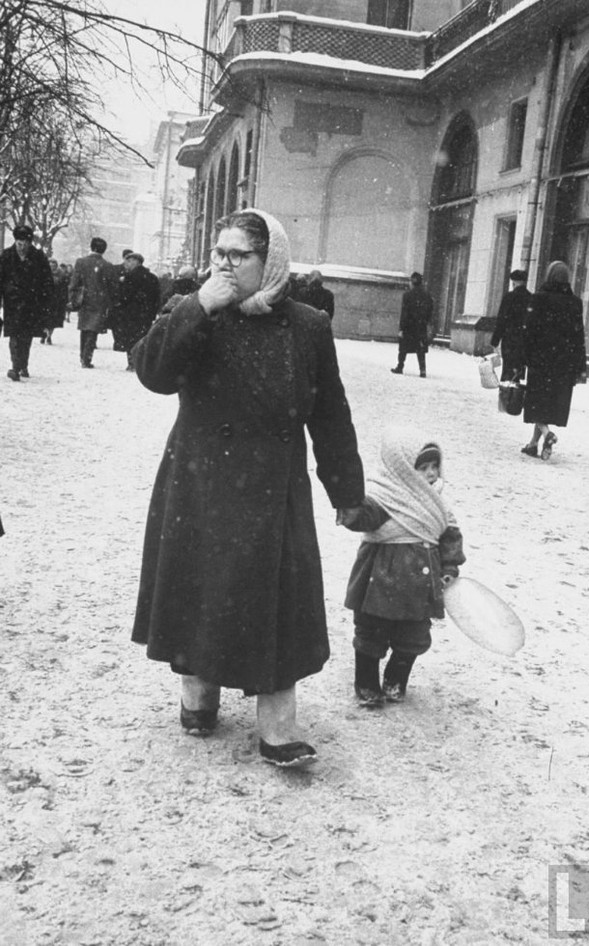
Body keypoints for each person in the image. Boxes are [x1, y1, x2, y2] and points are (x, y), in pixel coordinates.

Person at [130, 208, 365, 768]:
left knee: (277, 604)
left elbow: (330, 414)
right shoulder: (192, 309)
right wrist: (197, 307)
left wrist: (347, 493)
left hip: (273, 485)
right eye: (219, 253)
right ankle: (198, 695)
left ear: (271, 260)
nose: (225, 265)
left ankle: (278, 727)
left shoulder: (308, 325)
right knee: (202, 588)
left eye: (239, 255)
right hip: (201, 479)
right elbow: (153, 374)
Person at [338, 428, 465, 707]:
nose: (431, 473)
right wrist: (351, 510)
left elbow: (449, 536)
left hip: (420, 583)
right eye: (422, 467)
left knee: (413, 636)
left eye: (434, 466)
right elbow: (366, 516)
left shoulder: (437, 505)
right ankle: (366, 683)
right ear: (402, 469)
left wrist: (449, 568)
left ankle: (396, 678)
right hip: (381, 578)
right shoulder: (387, 497)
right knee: (372, 632)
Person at [520, 261, 586, 460]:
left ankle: (547, 433)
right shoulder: (575, 303)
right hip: (564, 363)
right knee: (550, 404)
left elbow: (529, 331)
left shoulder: (538, 299)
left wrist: (523, 356)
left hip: (541, 360)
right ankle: (533, 444)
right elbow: (578, 336)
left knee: (536, 402)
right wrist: (580, 366)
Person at [0, 224, 54, 381]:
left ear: (30, 243)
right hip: (12, 303)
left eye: (25, 243)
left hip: (32, 303)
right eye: (19, 243)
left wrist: (45, 302)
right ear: (15, 241)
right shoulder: (6, 256)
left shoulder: (38, 257)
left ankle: (22, 365)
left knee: (26, 336)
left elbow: (47, 282)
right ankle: (16, 367)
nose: (22, 247)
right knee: (14, 335)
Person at [69, 237, 117, 369]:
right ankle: (87, 357)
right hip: (100, 302)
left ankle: (82, 355)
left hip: (85, 300)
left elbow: (74, 282)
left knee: (84, 328)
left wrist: (73, 299)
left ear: (91, 247)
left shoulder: (81, 262)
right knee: (93, 330)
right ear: (103, 250)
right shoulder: (107, 265)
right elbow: (112, 287)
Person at [110, 253, 161, 369]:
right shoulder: (152, 277)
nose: (126, 264)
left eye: (128, 261)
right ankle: (140, 362)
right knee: (142, 338)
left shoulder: (129, 278)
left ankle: (132, 362)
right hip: (146, 314)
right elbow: (156, 297)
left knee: (131, 338)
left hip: (130, 313)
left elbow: (124, 296)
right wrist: (152, 312)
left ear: (136, 262)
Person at [391, 272, 434, 378]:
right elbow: (430, 311)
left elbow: (404, 313)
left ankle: (400, 366)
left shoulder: (407, 295)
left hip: (409, 326)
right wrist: (426, 322)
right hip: (421, 326)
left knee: (403, 348)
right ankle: (422, 370)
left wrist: (401, 328)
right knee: (420, 349)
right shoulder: (427, 296)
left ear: (412, 282)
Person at [491, 269, 530, 381]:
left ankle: (506, 388)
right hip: (524, 341)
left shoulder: (509, 297)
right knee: (519, 370)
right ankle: (516, 388)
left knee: (507, 368)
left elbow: (501, 320)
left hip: (510, 339)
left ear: (514, 282)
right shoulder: (531, 298)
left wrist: (495, 340)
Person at [43, 259, 68, 345]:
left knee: (53, 320)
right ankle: (44, 334)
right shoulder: (43, 274)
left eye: (53, 265)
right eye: (50, 265)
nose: (52, 267)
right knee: (45, 319)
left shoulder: (61, 275)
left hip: (56, 301)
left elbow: (64, 289)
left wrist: (65, 300)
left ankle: (49, 335)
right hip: (45, 300)